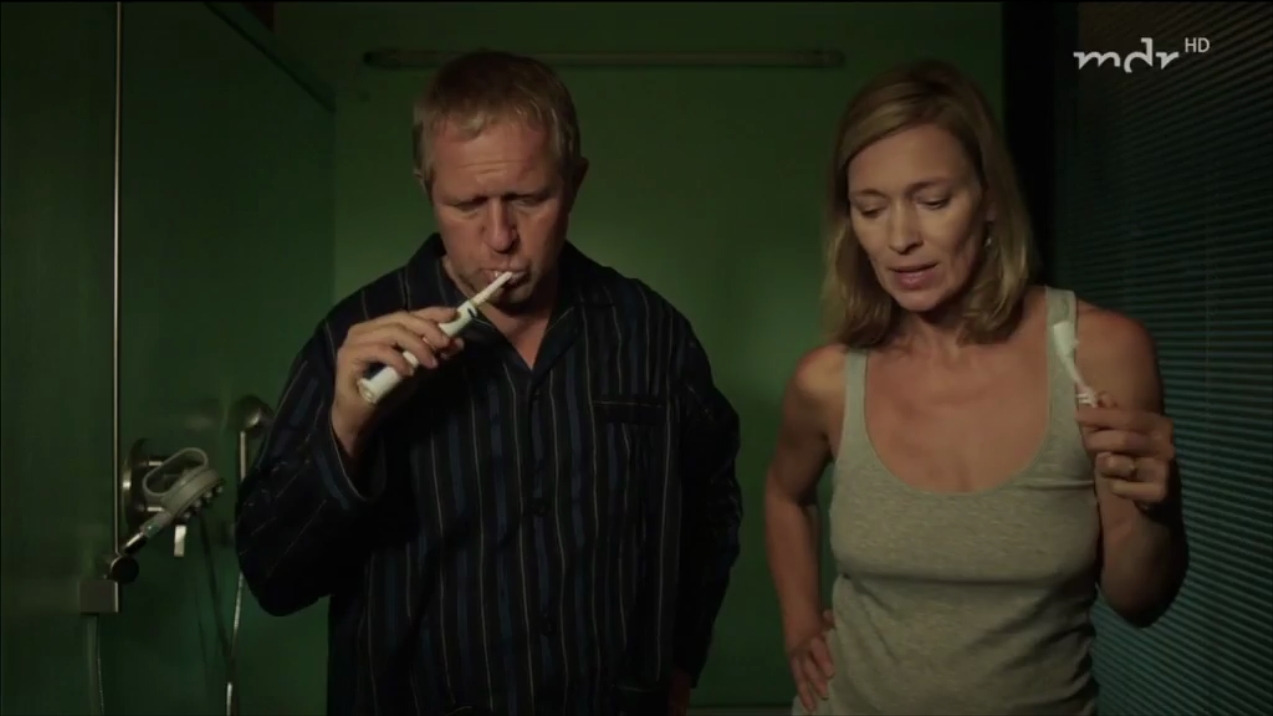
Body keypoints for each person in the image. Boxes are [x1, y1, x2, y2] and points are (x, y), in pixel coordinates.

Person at [235, 50, 743, 716]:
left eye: (528, 200)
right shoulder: (348, 341)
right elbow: (273, 579)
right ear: (427, 189)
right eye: (467, 204)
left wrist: (678, 666)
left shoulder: (649, 334)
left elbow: (711, 511)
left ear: (575, 183)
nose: (499, 237)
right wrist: (346, 433)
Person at [763, 59, 1189, 715]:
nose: (900, 239)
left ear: (989, 199)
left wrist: (1161, 511)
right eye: (870, 209)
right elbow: (784, 495)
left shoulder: (1098, 355)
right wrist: (799, 626)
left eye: (933, 202)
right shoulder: (828, 381)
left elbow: (1139, 602)